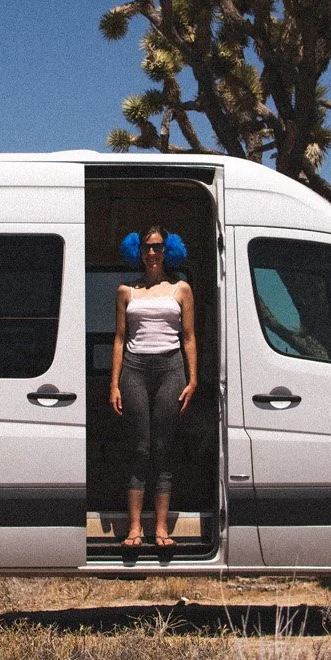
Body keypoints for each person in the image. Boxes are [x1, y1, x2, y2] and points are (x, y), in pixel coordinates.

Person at [109, 225, 197, 549]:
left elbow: (189, 337)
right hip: (134, 369)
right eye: (146, 247)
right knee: (140, 447)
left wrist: (193, 379)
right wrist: (114, 384)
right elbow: (119, 339)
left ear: (168, 250)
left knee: (163, 448)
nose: (152, 254)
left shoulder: (181, 290)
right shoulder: (125, 291)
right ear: (137, 251)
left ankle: (161, 528)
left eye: (158, 247)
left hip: (170, 368)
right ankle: (135, 529)